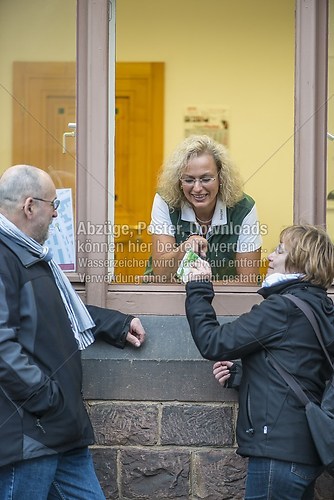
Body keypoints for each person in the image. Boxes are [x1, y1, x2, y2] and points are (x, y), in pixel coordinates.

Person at [0, 165, 146, 499]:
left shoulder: (31, 255)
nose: (56, 213)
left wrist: (116, 325)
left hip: (57, 429)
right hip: (29, 434)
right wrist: (46, 399)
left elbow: (58, 314)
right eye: (54, 204)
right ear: (29, 206)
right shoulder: (6, 256)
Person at [184, 224, 334, 499]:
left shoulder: (283, 308)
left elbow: (213, 342)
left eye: (279, 250)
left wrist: (198, 288)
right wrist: (243, 375)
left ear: (299, 261)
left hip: (277, 453)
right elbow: (302, 368)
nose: (269, 257)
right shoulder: (321, 307)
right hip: (304, 450)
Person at [146, 134, 262, 283]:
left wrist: (200, 286)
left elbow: (248, 281)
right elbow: (161, 273)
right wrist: (185, 247)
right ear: (179, 181)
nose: (197, 188)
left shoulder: (244, 208)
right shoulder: (165, 201)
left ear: (221, 178)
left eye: (206, 179)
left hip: (227, 300)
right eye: (189, 180)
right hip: (170, 297)